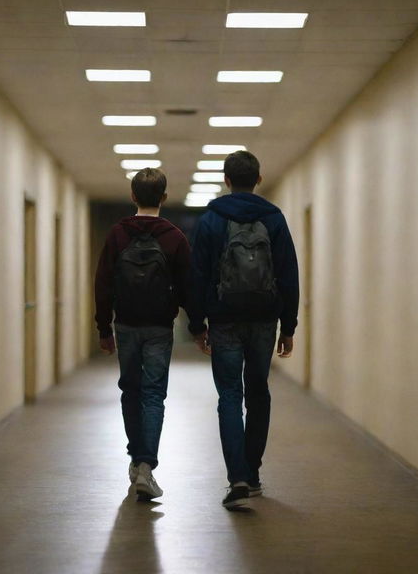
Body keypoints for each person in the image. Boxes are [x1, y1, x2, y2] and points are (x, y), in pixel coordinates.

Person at [188, 151, 300, 509]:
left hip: (224, 319)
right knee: (259, 393)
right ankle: (251, 475)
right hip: (264, 319)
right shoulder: (274, 219)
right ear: (259, 179)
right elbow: (288, 273)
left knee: (230, 397)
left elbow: (198, 275)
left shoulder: (211, 220)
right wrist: (289, 325)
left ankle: (236, 475)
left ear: (226, 179)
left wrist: (196, 324)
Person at [94, 168, 192, 501]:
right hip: (159, 327)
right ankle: (146, 467)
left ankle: (136, 460)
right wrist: (198, 326)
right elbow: (187, 288)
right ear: (164, 198)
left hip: (125, 325)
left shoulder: (117, 235)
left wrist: (103, 327)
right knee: (153, 395)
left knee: (130, 391)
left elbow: (103, 284)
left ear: (133, 196)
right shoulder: (174, 237)